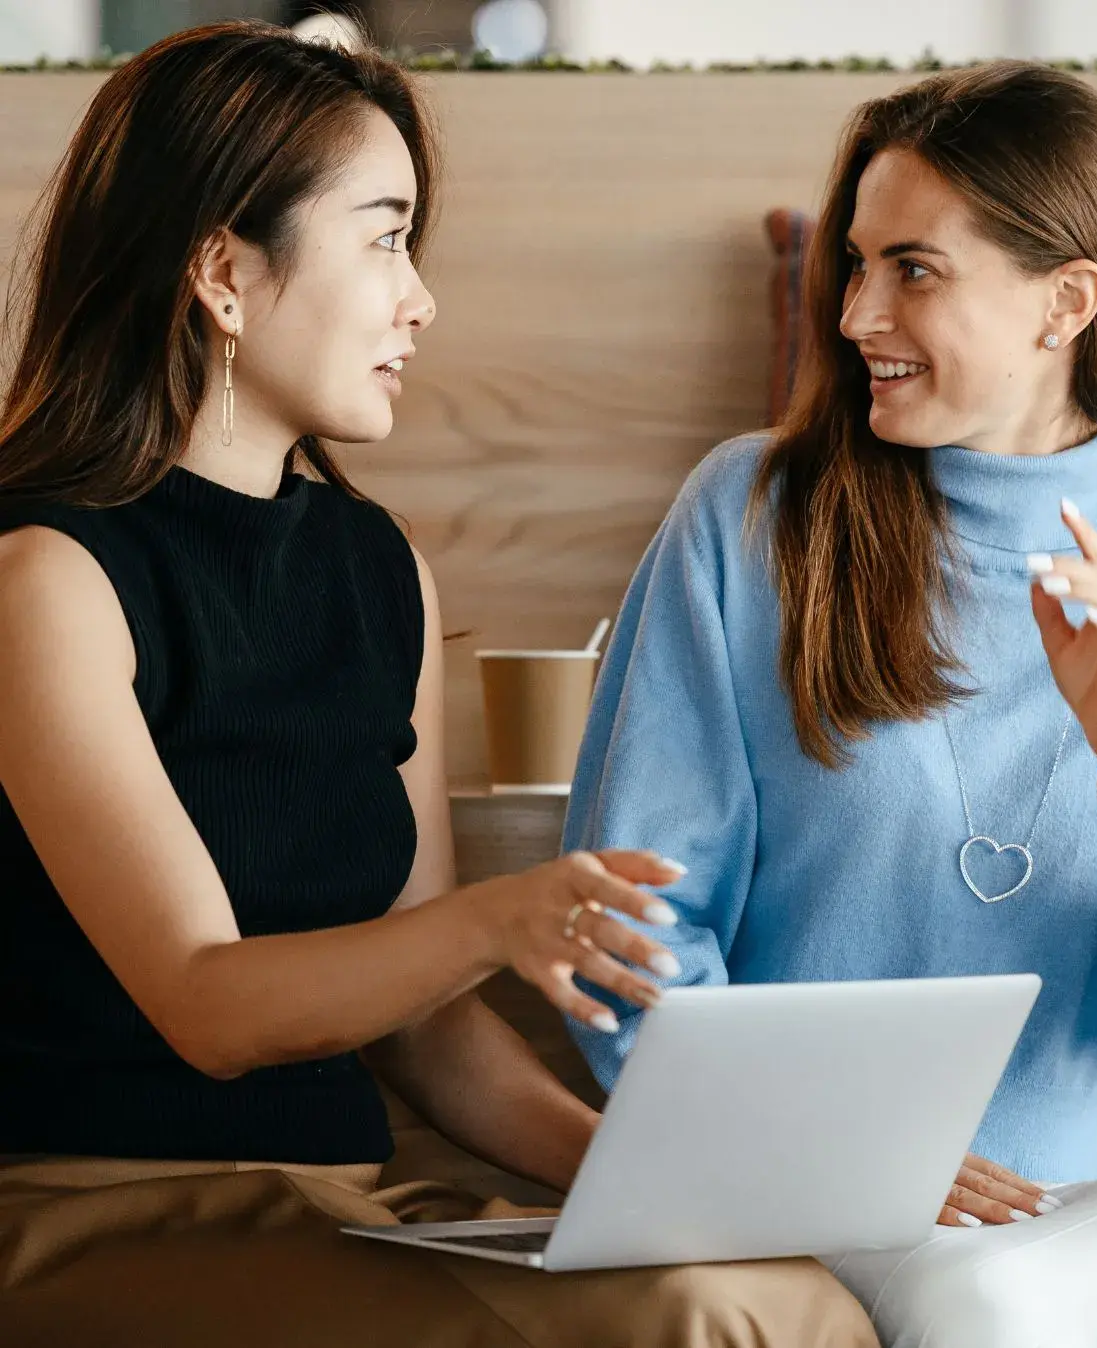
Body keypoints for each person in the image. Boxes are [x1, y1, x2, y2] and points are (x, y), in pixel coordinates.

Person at [0, 21, 879, 1348]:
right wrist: (494, 920)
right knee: (698, 1325)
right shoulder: (43, 578)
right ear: (223, 272)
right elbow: (207, 1002)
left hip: (342, 1201)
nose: (421, 300)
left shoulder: (377, 566)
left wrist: (666, 1191)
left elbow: (429, 1033)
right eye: (384, 236)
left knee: (790, 1296)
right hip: (99, 1205)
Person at [563, 61, 1097, 1348]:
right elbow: (628, 933)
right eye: (853, 264)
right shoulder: (751, 517)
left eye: (912, 268)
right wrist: (826, 1157)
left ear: (1064, 302)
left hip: (1049, 1216)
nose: (856, 314)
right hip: (784, 1203)